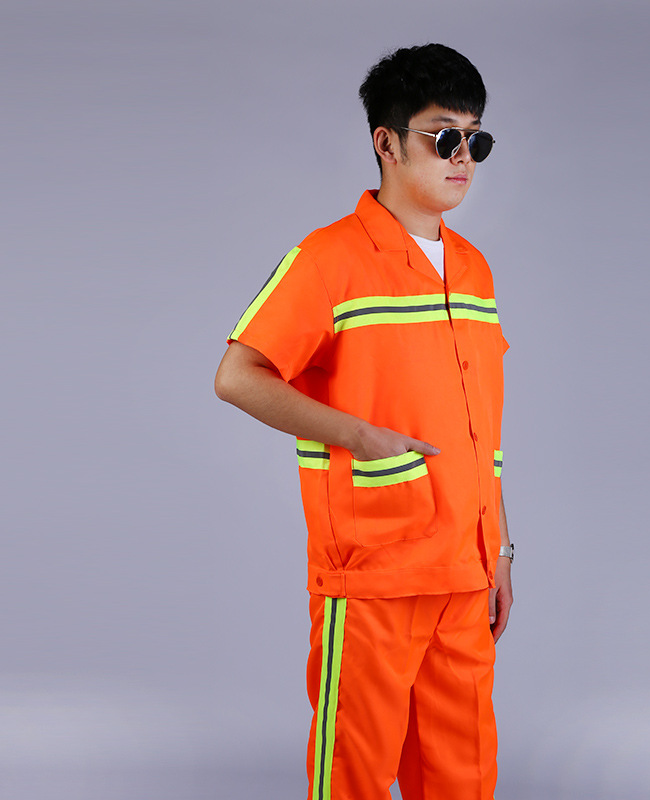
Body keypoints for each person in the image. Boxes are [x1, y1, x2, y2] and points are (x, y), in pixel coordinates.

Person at [215, 42, 513, 800]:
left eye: (475, 140)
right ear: (387, 142)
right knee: (353, 776)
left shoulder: (473, 269)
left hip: (464, 572)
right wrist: (360, 435)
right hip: (374, 572)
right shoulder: (329, 259)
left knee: (464, 778)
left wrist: (501, 550)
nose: (463, 158)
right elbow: (237, 376)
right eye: (443, 136)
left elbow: (482, 432)